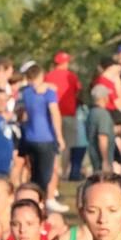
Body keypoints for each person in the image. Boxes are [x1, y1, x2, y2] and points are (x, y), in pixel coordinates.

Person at [18, 65, 63, 206]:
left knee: (34, 174)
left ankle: (31, 200)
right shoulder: (48, 93)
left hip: (30, 137)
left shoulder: (26, 93)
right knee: (45, 175)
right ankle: (40, 203)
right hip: (46, 137)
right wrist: (60, 136)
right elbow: (55, 114)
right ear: (41, 75)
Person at [46, 52, 84, 180]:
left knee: (54, 143)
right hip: (68, 113)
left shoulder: (48, 76)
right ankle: (64, 172)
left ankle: (55, 170)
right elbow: (78, 91)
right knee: (66, 145)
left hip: (51, 114)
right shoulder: (71, 76)